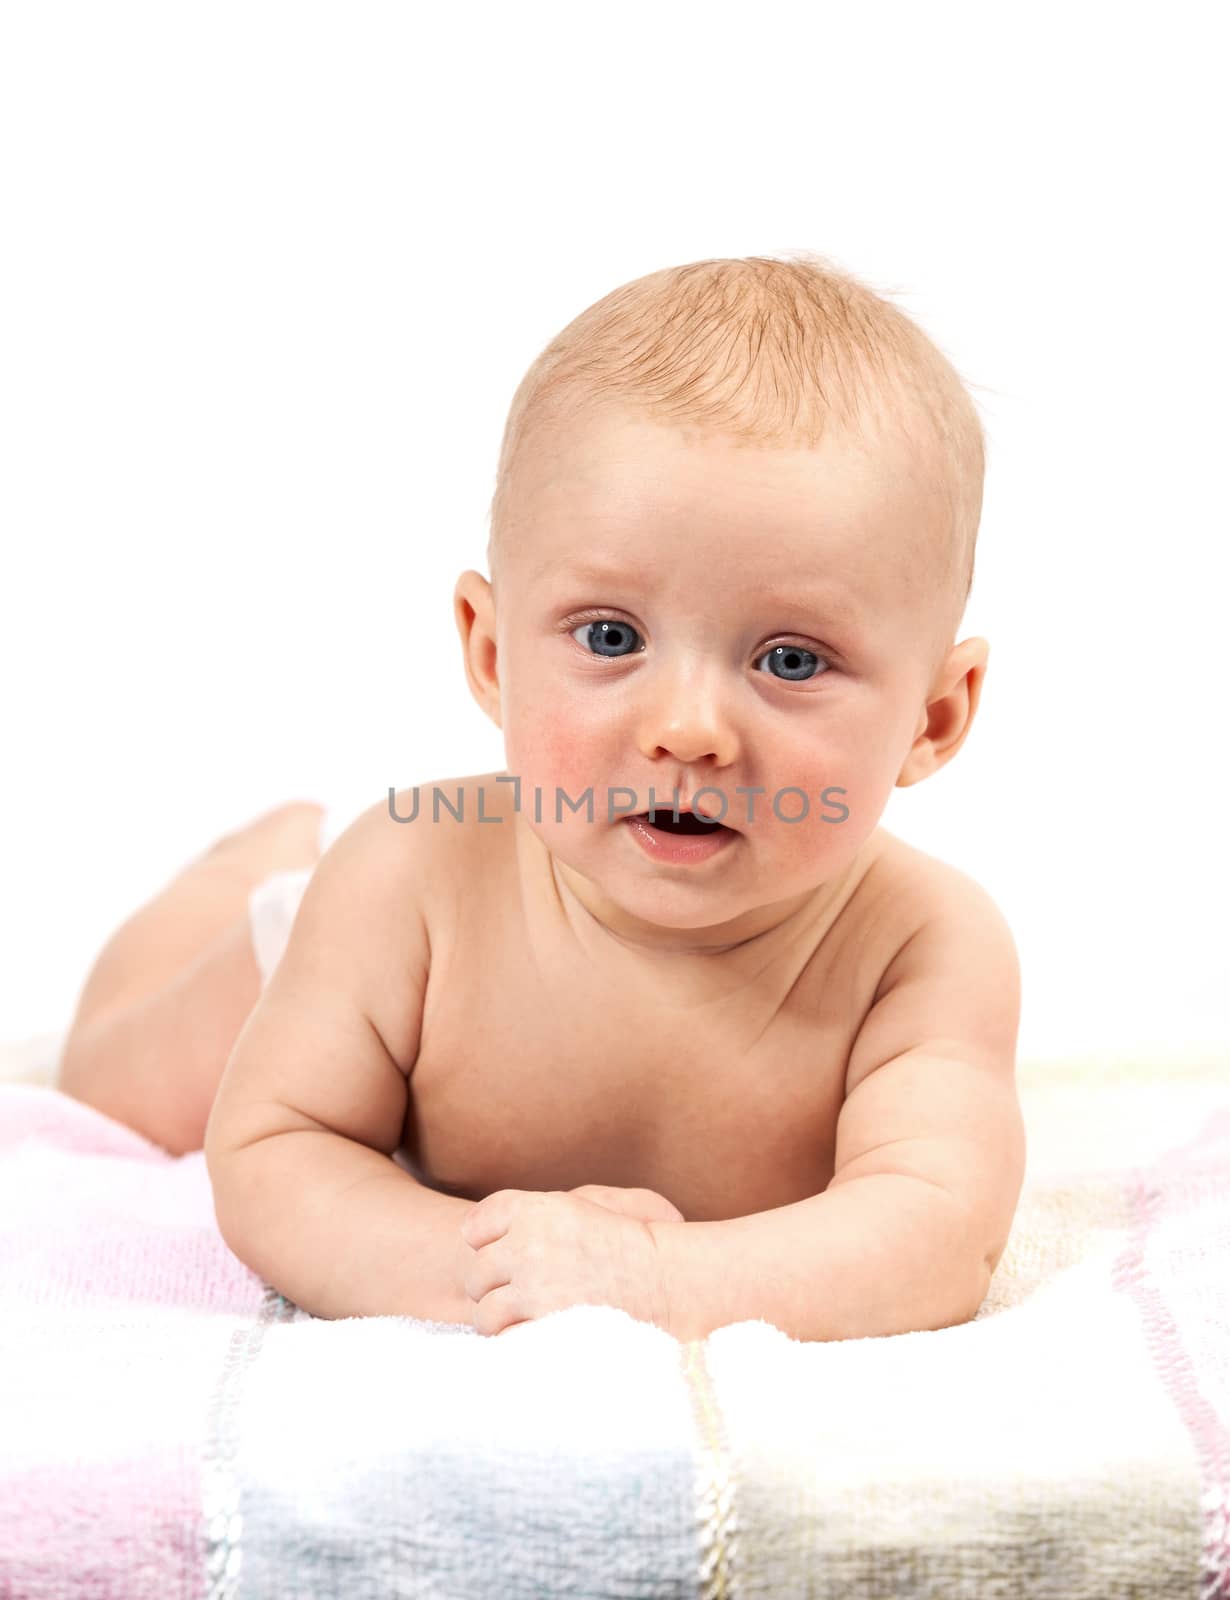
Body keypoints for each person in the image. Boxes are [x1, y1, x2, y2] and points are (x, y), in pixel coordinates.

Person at [58, 252, 1026, 1344]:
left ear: (935, 717)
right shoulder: (405, 886)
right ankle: (249, 869)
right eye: (611, 637)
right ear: (491, 651)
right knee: (108, 1085)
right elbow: (276, 1153)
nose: (689, 729)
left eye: (792, 661)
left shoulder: (921, 947)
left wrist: (658, 1279)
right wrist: (487, 1270)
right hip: (307, 953)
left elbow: (937, 1235)